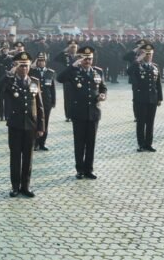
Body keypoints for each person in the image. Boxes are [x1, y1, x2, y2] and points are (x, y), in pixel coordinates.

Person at [0, 51, 44, 197]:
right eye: (21, 66)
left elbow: (40, 106)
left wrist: (41, 127)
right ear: (16, 66)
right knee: (15, 157)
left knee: (28, 158)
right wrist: (9, 73)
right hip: (15, 125)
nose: (24, 69)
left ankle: (26, 186)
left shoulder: (34, 82)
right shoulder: (10, 81)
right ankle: (15, 186)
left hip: (30, 125)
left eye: (27, 66)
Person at [57, 46, 107, 180]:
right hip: (79, 113)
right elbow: (60, 78)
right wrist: (73, 66)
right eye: (85, 59)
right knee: (79, 143)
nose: (88, 61)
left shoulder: (97, 72)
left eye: (90, 59)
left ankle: (88, 169)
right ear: (80, 59)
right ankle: (79, 169)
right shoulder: (74, 72)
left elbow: (103, 87)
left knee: (91, 143)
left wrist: (103, 95)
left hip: (93, 113)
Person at [128, 43, 163, 152]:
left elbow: (158, 84)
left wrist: (160, 98)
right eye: (146, 54)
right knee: (141, 122)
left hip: (152, 98)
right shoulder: (137, 65)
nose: (148, 56)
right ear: (142, 54)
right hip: (140, 98)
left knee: (150, 122)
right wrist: (138, 59)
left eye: (150, 54)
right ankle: (141, 144)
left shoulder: (155, 66)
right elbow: (128, 71)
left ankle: (149, 143)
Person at [29, 52, 56, 151]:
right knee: (36, 122)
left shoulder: (50, 72)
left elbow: (52, 88)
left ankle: (42, 143)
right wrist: (32, 65)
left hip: (46, 101)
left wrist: (53, 101)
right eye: (39, 61)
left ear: (46, 62)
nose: (41, 63)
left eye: (43, 61)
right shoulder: (32, 72)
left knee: (45, 122)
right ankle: (35, 143)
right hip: (36, 101)